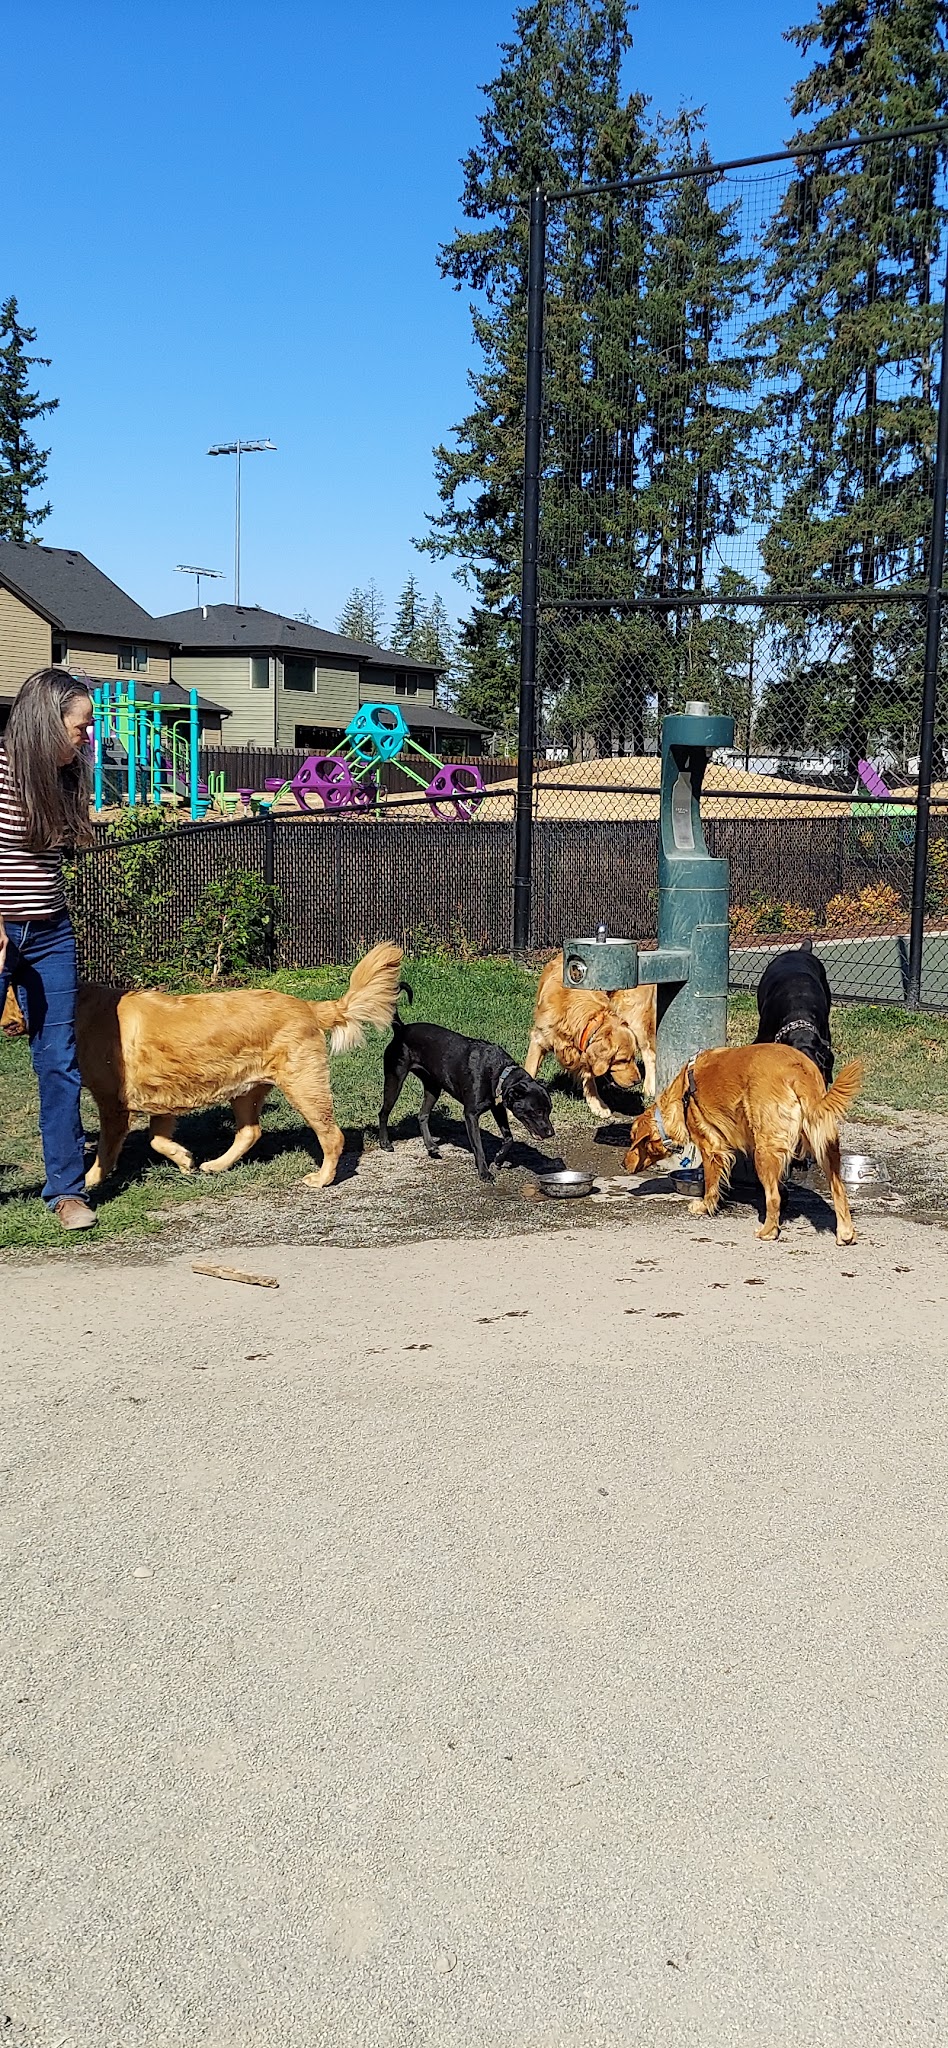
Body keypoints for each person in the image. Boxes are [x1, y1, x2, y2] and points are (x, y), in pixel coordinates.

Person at [0, 667, 97, 1230]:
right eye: (80, 725)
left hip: (50, 933)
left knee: (59, 1062)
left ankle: (66, 1190)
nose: (87, 736)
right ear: (46, 721)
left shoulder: (59, 777)